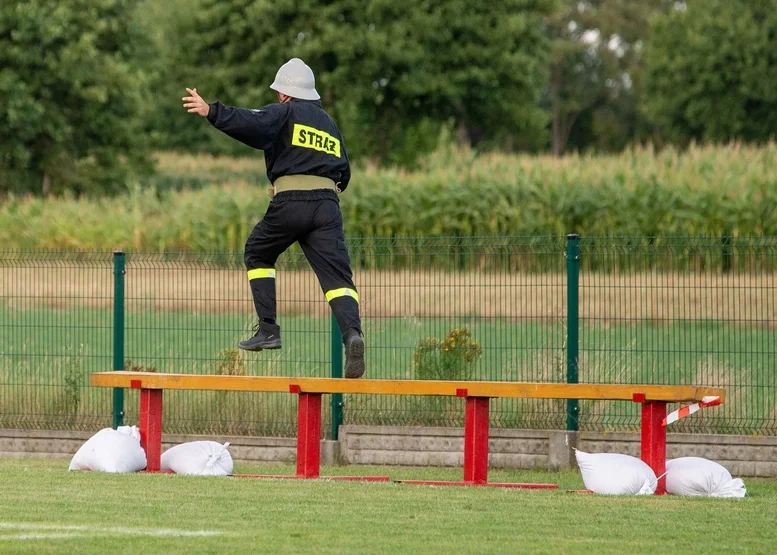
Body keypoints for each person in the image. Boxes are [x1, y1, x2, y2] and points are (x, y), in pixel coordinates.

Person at [182, 58, 365, 379]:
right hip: (327, 205)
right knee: (338, 280)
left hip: (290, 201)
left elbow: (252, 122)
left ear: (284, 94)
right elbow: (345, 174)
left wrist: (212, 111)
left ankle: (268, 329)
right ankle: (352, 334)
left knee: (258, 251)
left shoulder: (284, 112)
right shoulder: (329, 124)